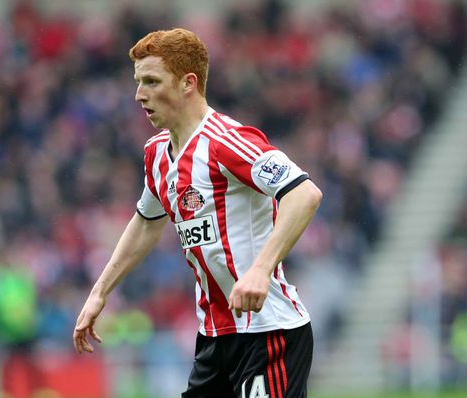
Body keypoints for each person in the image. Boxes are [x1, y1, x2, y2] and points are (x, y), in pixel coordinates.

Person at [73, 28, 322, 398]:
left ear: (188, 83)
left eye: (152, 81)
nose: (139, 94)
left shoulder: (227, 141)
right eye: (139, 82)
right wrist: (99, 293)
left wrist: (259, 270)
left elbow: (304, 194)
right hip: (214, 339)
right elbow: (145, 222)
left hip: (269, 333)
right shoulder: (157, 153)